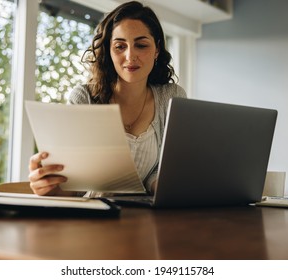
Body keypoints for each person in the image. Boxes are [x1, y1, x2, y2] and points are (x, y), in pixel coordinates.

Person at [28, 1, 187, 196]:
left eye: (141, 45)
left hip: (147, 218)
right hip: (93, 217)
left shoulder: (172, 97)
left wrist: (161, 185)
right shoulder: (84, 97)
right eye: (120, 46)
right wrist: (48, 185)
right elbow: (73, 187)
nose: (130, 56)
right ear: (108, 51)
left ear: (157, 50)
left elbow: (164, 169)